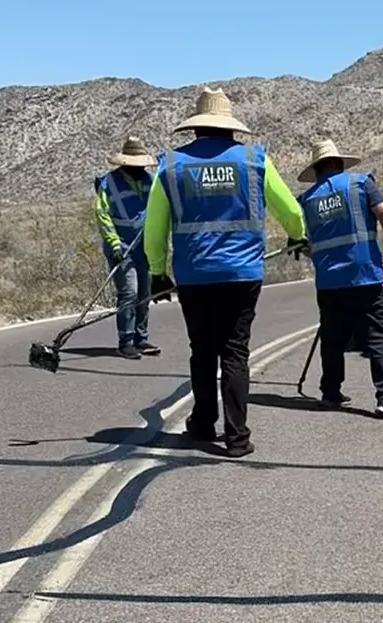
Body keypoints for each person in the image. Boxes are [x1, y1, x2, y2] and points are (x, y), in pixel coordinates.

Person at [144, 88, 306, 457]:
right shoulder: (254, 160)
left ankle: (202, 424)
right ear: (232, 128)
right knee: (235, 352)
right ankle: (237, 438)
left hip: (194, 274)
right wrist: (298, 237)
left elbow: (154, 227)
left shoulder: (171, 165)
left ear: (196, 129)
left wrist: (157, 271)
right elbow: (291, 212)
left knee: (202, 351)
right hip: (242, 274)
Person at [297, 139, 383, 418]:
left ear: (317, 170)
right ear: (338, 164)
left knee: (333, 337)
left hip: (328, 281)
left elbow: (304, 244)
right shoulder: (360, 183)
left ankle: (330, 393)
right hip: (363, 276)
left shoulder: (307, 200)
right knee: (377, 337)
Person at [95, 137, 161, 359]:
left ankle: (141, 339)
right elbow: (103, 215)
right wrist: (114, 243)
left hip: (144, 247)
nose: (139, 168)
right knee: (129, 292)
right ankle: (126, 341)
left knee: (144, 293)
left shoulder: (149, 181)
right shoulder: (109, 184)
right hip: (121, 247)